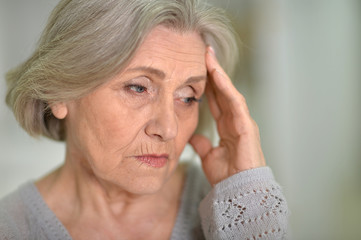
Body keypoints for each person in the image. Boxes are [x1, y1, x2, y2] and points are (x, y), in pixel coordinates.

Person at [0, 0, 289, 239]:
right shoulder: (11, 228)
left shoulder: (233, 206)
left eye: (188, 96)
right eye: (138, 87)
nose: (168, 128)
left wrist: (249, 201)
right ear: (59, 92)